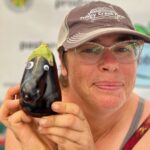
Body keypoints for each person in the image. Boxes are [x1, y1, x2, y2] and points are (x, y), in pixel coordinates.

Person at [0, 1, 150, 150]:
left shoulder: (146, 128)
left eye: (123, 49)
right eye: (90, 49)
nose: (111, 64)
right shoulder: (31, 123)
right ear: (63, 62)